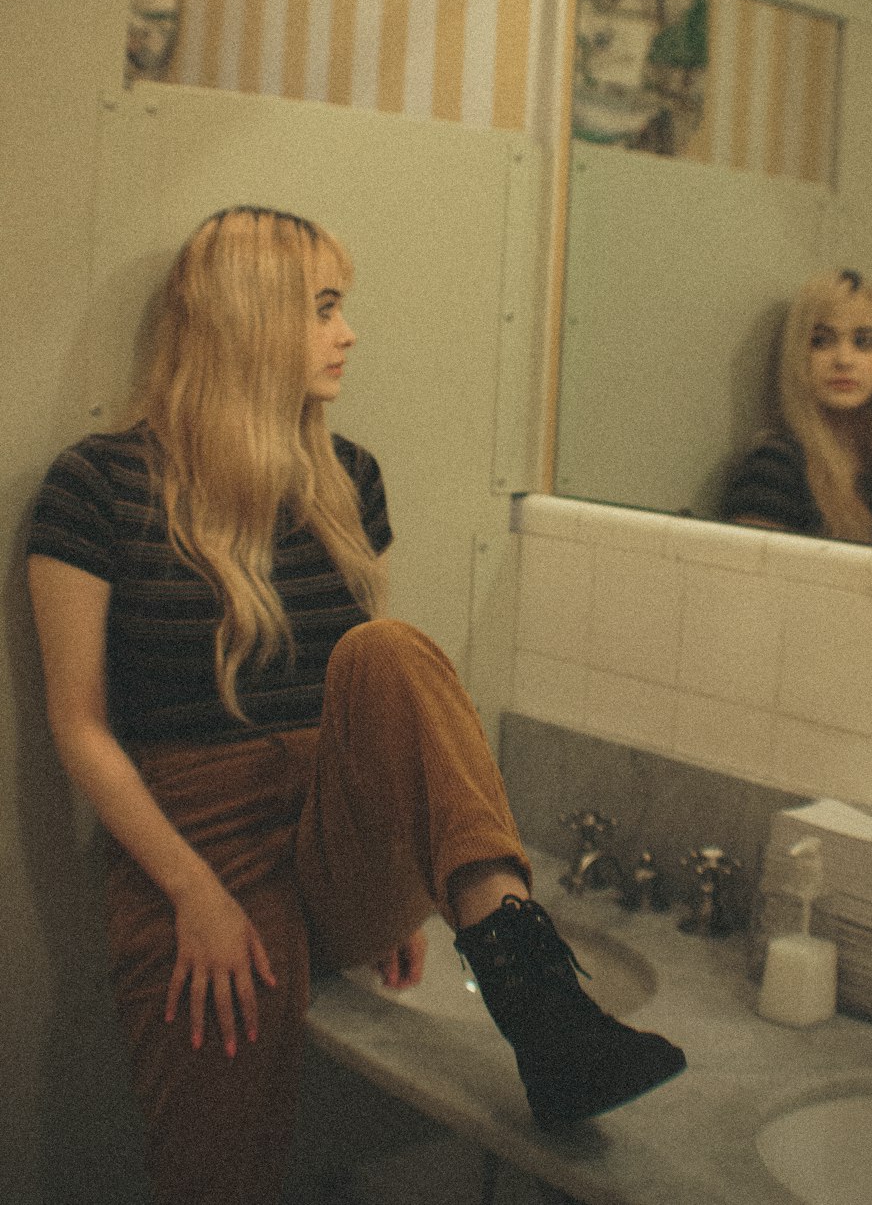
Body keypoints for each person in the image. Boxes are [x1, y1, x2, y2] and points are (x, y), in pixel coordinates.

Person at [26, 205, 685, 1205]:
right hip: (198, 845)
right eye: (324, 308)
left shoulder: (348, 479)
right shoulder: (99, 486)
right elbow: (79, 726)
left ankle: (538, 999)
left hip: (337, 827)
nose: (349, 333)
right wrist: (191, 893)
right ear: (250, 319)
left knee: (389, 648)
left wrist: (403, 849)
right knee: (217, 1172)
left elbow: (377, 703)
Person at [720, 268, 872, 550]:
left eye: (863, 342)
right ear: (799, 354)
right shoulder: (776, 467)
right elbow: (751, 584)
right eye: (821, 340)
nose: (844, 360)